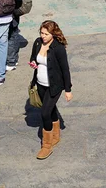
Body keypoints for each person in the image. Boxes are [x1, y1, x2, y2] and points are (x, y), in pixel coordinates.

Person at [31, 20, 74, 160]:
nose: (43, 36)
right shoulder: (38, 43)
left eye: (46, 34)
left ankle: (47, 145)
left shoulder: (58, 48)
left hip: (54, 86)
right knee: (51, 109)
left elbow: (65, 69)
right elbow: (34, 58)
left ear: (53, 34)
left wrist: (68, 89)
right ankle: (56, 135)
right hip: (40, 83)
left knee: (44, 113)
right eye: (42, 33)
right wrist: (33, 63)